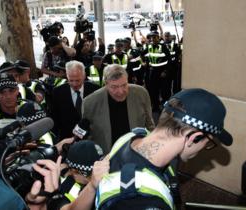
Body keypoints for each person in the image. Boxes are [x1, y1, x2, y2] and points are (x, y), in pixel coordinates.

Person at [93, 88, 233, 210]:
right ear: (194, 138)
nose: (204, 148)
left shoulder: (129, 137)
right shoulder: (143, 201)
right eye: (208, 142)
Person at [82, 64, 154, 153]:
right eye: (114, 87)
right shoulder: (90, 102)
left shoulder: (141, 93)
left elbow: (150, 125)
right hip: (106, 158)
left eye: (124, 85)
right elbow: (88, 136)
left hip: (137, 154)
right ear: (106, 84)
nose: (120, 91)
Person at [27, 140, 104, 210]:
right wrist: (92, 186)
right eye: (91, 175)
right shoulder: (65, 186)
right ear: (75, 172)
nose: (100, 177)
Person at [52, 61, 99, 140]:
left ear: (84, 76)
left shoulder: (95, 90)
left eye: (77, 80)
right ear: (67, 76)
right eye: (71, 80)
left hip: (92, 138)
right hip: (67, 139)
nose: (74, 84)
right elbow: (55, 118)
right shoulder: (57, 92)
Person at [142, 30, 172, 112]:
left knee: (164, 91)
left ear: (158, 38)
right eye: (151, 37)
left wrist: (165, 71)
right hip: (153, 72)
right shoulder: (149, 46)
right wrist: (143, 62)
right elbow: (141, 54)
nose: (153, 39)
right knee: (153, 90)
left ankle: (166, 108)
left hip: (162, 72)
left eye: (155, 37)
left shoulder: (163, 46)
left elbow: (169, 60)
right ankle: (155, 106)